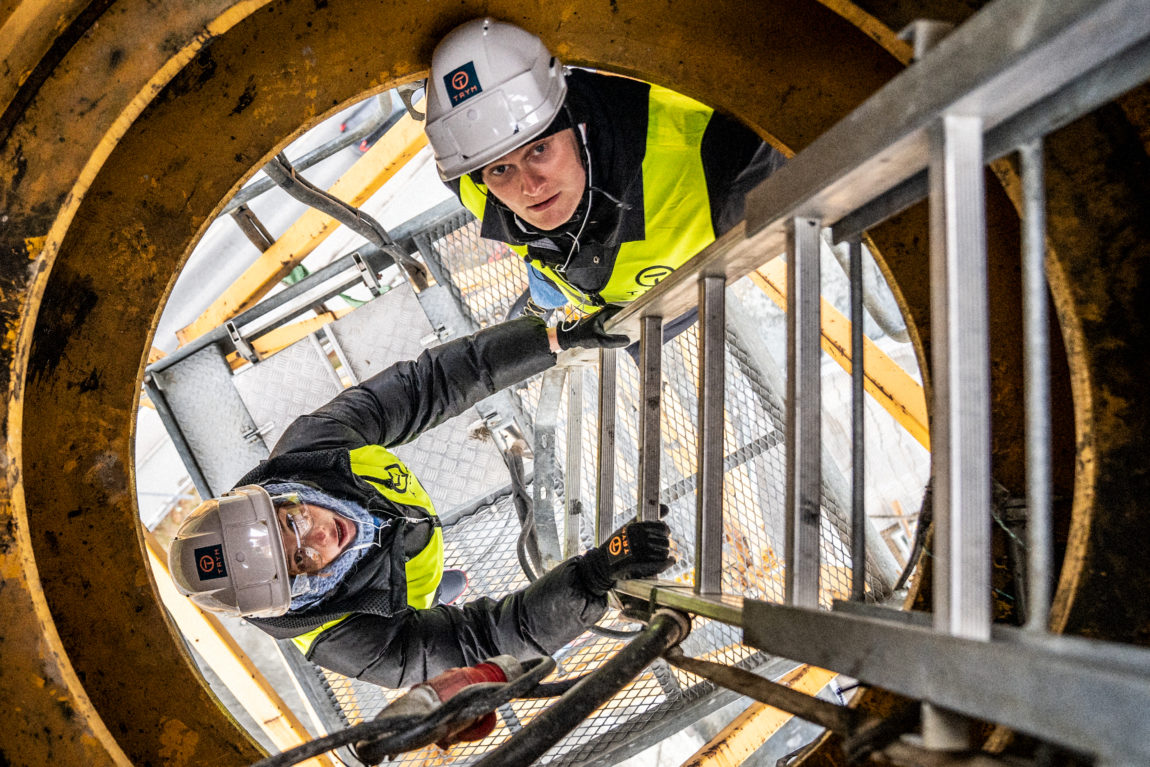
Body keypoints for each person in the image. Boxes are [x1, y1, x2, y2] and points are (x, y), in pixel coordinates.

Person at [168, 313, 675, 688]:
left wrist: (550, 340)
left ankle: (431, 592)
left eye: (293, 522)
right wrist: (592, 577)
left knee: (422, 594)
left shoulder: (312, 448)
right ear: (302, 595)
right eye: (302, 561)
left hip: (406, 543)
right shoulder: (352, 641)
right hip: (398, 596)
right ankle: (430, 600)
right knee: (426, 614)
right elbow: (483, 640)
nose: (322, 535)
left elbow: (424, 387)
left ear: (278, 497)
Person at [424, 18, 785, 327]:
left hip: (659, 307)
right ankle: (547, 300)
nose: (531, 187)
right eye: (501, 169)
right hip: (569, 281)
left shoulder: (715, 158)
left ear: (576, 123)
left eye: (539, 149)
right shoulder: (471, 181)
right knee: (545, 279)